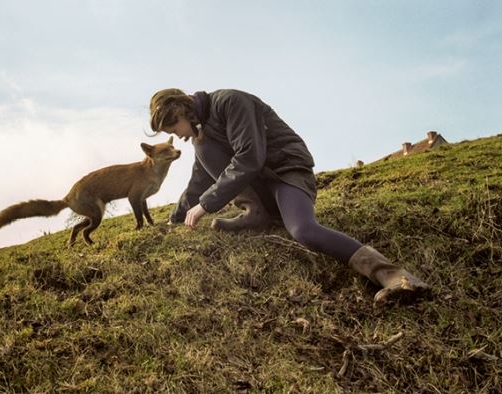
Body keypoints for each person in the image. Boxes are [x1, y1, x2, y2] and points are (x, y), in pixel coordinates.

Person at [149, 88, 430, 305]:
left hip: (287, 172)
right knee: (203, 148)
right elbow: (199, 181)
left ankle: (395, 276)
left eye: (174, 129)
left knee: (303, 230)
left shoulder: (231, 102)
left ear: (183, 111)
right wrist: (175, 220)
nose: (178, 136)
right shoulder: (203, 133)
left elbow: (250, 157)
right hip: (261, 187)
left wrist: (206, 206)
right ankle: (255, 214)